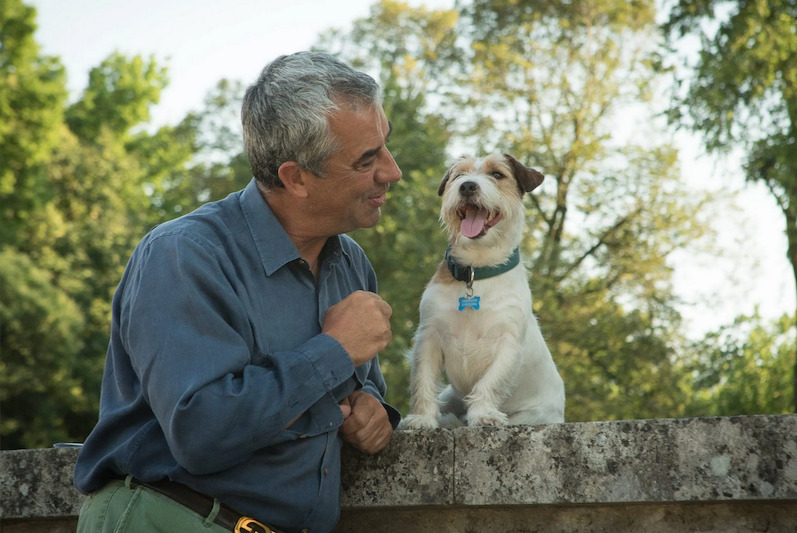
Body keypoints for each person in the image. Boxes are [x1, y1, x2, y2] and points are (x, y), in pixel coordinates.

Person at [73, 51, 403, 533]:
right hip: (168, 519)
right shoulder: (183, 254)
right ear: (296, 178)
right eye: (367, 159)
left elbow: (352, 386)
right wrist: (332, 351)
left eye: (384, 145)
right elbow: (201, 434)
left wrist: (372, 407)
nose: (392, 171)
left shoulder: (350, 262)